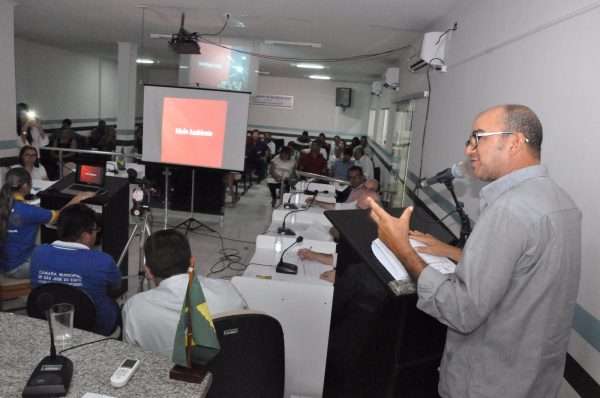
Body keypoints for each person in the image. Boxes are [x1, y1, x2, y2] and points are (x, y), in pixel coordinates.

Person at [368, 104, 581, 398]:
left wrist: (402, 249)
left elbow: (460, 311)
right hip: (535, 380)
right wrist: (455, 253)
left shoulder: (508, 210)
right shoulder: (561, 202)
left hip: (488, 383)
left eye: (477, 138)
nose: (469, 150)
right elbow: (527, 273)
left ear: (515, 142)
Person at [122, 229, 247, 357]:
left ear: (148, 271)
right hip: (229, 371)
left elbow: (131, 356)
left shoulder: (134, 308)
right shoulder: (227, 289)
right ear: (192, 262)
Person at [30, 204, 122, 336]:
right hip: (95, 328)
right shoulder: (104, 261)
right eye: (96, 230)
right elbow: (116, 286)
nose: (96, 233)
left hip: (47, 321)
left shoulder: (38, 253)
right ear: (85, 235)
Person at [0, 168, 94, 278]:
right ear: (25, 185)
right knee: (66, 263)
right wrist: (77, 198)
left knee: (48, 250)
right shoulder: (28, 211)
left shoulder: (5, 204)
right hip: (18, 267)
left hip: (8, 261)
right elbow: (58, 216)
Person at [309, 166, 379, 210]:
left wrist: (318, 203)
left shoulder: (365, 191)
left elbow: (344, 209)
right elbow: (343, 207)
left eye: (356, 177)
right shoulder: (356, 191)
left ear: (362, 176)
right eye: (351, 177)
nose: (353, 180)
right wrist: (318, 202)